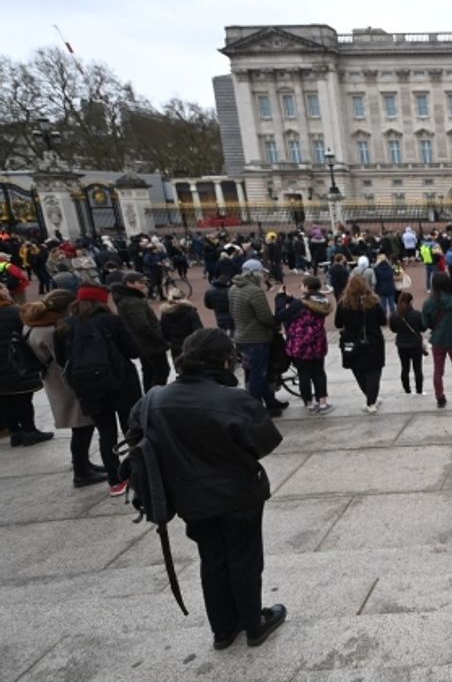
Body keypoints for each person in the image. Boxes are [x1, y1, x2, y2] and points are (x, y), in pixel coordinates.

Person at [126, 329, 287, 650]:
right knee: (244, 558)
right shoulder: (234, 400)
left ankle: (223, 629)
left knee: (211, 558)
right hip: (238, 495)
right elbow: (264, 442)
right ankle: (253, 623)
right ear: (226, 361)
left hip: (189, 497)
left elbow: (137, 438)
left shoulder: (153, 400)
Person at [56, 284, 140, 496]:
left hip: (88, 387)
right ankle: (139, 473)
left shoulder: (66, 325)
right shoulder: (112, 321)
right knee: (131, 430)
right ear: (102, 301)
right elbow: (133, 351)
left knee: (106, 435)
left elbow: (61, 359)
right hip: (122, 383)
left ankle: (115, 481)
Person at [21, 290, 104, 484]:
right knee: (82, 426)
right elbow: (62, 359)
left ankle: (83, 464)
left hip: (52, 380)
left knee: (81, 426)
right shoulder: (50, 330)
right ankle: (82, 471)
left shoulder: (31, 325)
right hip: (64, 383)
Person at [229, 260, 289, 417]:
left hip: (242, 336)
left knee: (253, 373)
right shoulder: (254, 291)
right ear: (253, 273)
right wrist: (276, 323)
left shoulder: (233, 289)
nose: (263, 276)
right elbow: (265, 317)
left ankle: (270, 401)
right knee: (259, 375)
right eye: (261, 273)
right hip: (257, 338)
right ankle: (256, 409)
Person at [1, 286, 52, 447]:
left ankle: (15, 432)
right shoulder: (14, 312)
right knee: (22, 398)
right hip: (15, 362)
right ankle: (29, 431)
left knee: (5, 399)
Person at [275, 276, 333, 414]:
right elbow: (305, 306)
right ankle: (323, 402)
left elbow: (281, 315)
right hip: (318, 342)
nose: (300, 288)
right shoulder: (323, 301)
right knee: (319, 372)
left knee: (304, 374)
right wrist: (291, 299)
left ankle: (309, 403)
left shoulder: (301, 303)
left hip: (300, 344)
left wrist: (280, 298)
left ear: (307, 287)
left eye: (301, 286)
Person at [335, 275, 387, 413]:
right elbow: (382, 320)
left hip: (352, 342)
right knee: (374, 372)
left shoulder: (343, 304)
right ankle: (372, 400)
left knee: (359, 372)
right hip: (373, 341)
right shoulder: (373, 302)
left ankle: (371, 398)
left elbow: (338, 323)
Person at [114, 272, 171, 390]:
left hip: (142, 344)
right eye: (139, 283)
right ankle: (155, 398)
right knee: (161, 371)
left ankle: (149, 397)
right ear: (129, 284)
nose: (143, 285)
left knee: (149, 372)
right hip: (150, 344)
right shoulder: (133, 302)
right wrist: (160, 340)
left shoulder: (126, 299)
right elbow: (142, 325)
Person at [422, 275, 452, 407]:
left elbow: (424, 323)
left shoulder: (429, 303)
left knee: (438, 371)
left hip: (438, 340)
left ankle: (440, 398)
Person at [390, 291, 426, 396]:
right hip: (415, 344)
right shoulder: (417, 314)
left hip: (401, 345)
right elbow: (423, 328)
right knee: (417, 369)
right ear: (411, 301)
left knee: (404, 368)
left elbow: (393, 329)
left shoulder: (394, 315)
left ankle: (407, 390)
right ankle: (419, 390)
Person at [159, 288, 204, 368]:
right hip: (191, 346)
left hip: (175, 345)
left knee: (180, 369)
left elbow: (164, 331)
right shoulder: (190, 312)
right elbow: (198, 330)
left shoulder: (165, 313)